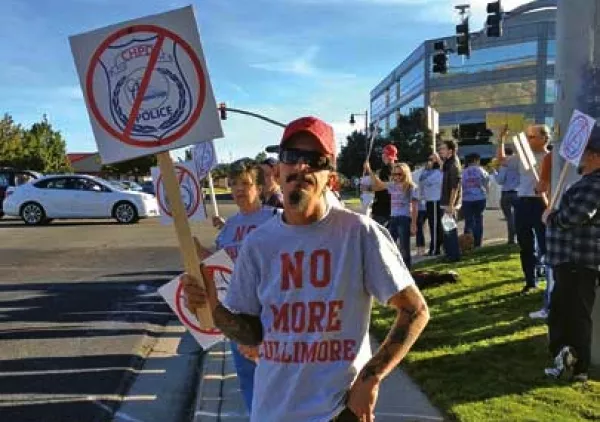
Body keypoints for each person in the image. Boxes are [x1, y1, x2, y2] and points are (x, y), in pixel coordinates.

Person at [182, 116, 429, 422]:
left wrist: (369, 380)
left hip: (338, 412)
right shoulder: (258, 244)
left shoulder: (359, 234)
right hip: (272, 410)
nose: (301, 167)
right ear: (278, 170)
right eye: (291, 157)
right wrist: (212, 307)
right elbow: (252, 333)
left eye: (315, 160)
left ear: (331, 178)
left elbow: (415, 310)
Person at [183, 159, 279, 411]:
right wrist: (196, 250)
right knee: (248, 381)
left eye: (245, 183)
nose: (238, 189)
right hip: (238, 317)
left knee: (278, 380)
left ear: (258, 187)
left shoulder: (277, 220)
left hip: (273, 314)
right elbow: (219, 267)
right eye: (233, 183)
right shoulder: (229, 228)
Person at [542, 125, 600, 383]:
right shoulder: (585, 182)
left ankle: (579, 368)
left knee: (575, 315)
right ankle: (564, 357)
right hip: (567, 260)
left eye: (585, 152)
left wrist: (552, 218)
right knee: (561, 312)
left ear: (595, 156)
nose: (579, 158)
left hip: (578, 260)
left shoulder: (595, 184)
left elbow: (577, 216)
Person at [497, 125, 550, 294]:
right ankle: (530, 281)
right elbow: (502, 160)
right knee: (525, 244)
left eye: (532, 137)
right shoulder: (522, 157)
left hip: (543, 203)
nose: (528, 140)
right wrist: (501, 139)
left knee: (545, 243)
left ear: (544, 138)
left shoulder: (551, 158)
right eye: (527, 136)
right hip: (523, 202)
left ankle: (550, 281)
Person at [365, 161, 418, 269]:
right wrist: (369, 170)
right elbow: (378, 183)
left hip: (404, 219)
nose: (396, 177)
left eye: (399, 174)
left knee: (404, 247)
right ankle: (393, 268)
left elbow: (415, 207)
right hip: (393, 218)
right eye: (394, 174)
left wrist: (413, 223)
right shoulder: (392, 185)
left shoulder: (411, 187)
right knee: (389, 244)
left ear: (405, 174)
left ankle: (407, 269)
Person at [433, 140, 462, 262]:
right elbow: (443, 169)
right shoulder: (448, 162)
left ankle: (453, 256)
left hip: (450, 203)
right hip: (446, 202)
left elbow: (455, 187)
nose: (441, 151)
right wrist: (438, 159)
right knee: (446, 229)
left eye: (443, 149)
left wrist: (451, 205)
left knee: (450, 230)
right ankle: (449, 254)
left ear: (450, 150)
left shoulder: (454, 164)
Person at [461, 153, 489, 248]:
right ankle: (477, 243)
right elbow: (487, 181)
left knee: (468, 221)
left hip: (466, 198)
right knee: (478, 220)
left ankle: (467, 243)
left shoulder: (463, 172)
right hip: (480, 197)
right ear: (476, 160)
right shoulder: (481, 170)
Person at [493, 146, 520, 244]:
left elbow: (500, 180)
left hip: (506, 193)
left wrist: (495, 172)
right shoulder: (518, 162)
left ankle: (511, 239)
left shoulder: (504, 163)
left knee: (510, 218)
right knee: (519, 216)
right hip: (518, 192)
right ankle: (520, 236)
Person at [419, 156, 444, 256]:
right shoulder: (425, 173)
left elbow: (425, 182)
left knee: (435, 226)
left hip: (435, 201)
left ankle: (434, 249)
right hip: (429, 201)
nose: (428, 162)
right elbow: (420, 181)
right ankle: (437, 248)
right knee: (433, 225)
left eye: (431, 160)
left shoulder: (438, 173)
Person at [370, 144, 398, 227]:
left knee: (376, 232)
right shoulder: (395, 168)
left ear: (387, 156)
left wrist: (369, 171)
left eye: (384, 154)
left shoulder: (386, 169)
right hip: (390, 206)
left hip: (382, 208)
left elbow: (381, 186)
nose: (382, 156)